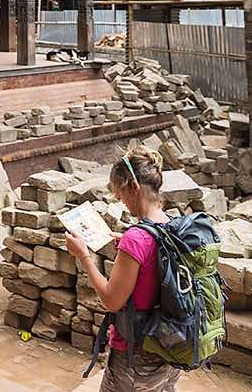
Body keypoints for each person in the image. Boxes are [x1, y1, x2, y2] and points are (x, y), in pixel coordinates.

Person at [65, 147, 179, 392]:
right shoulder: (171, 225)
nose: (123, 203)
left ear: (133, 187)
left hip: (136, 354)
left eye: (121, 196)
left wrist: (84, 256)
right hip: (170, 344)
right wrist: (129, 246)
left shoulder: (136, 239)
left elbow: (112, 300)